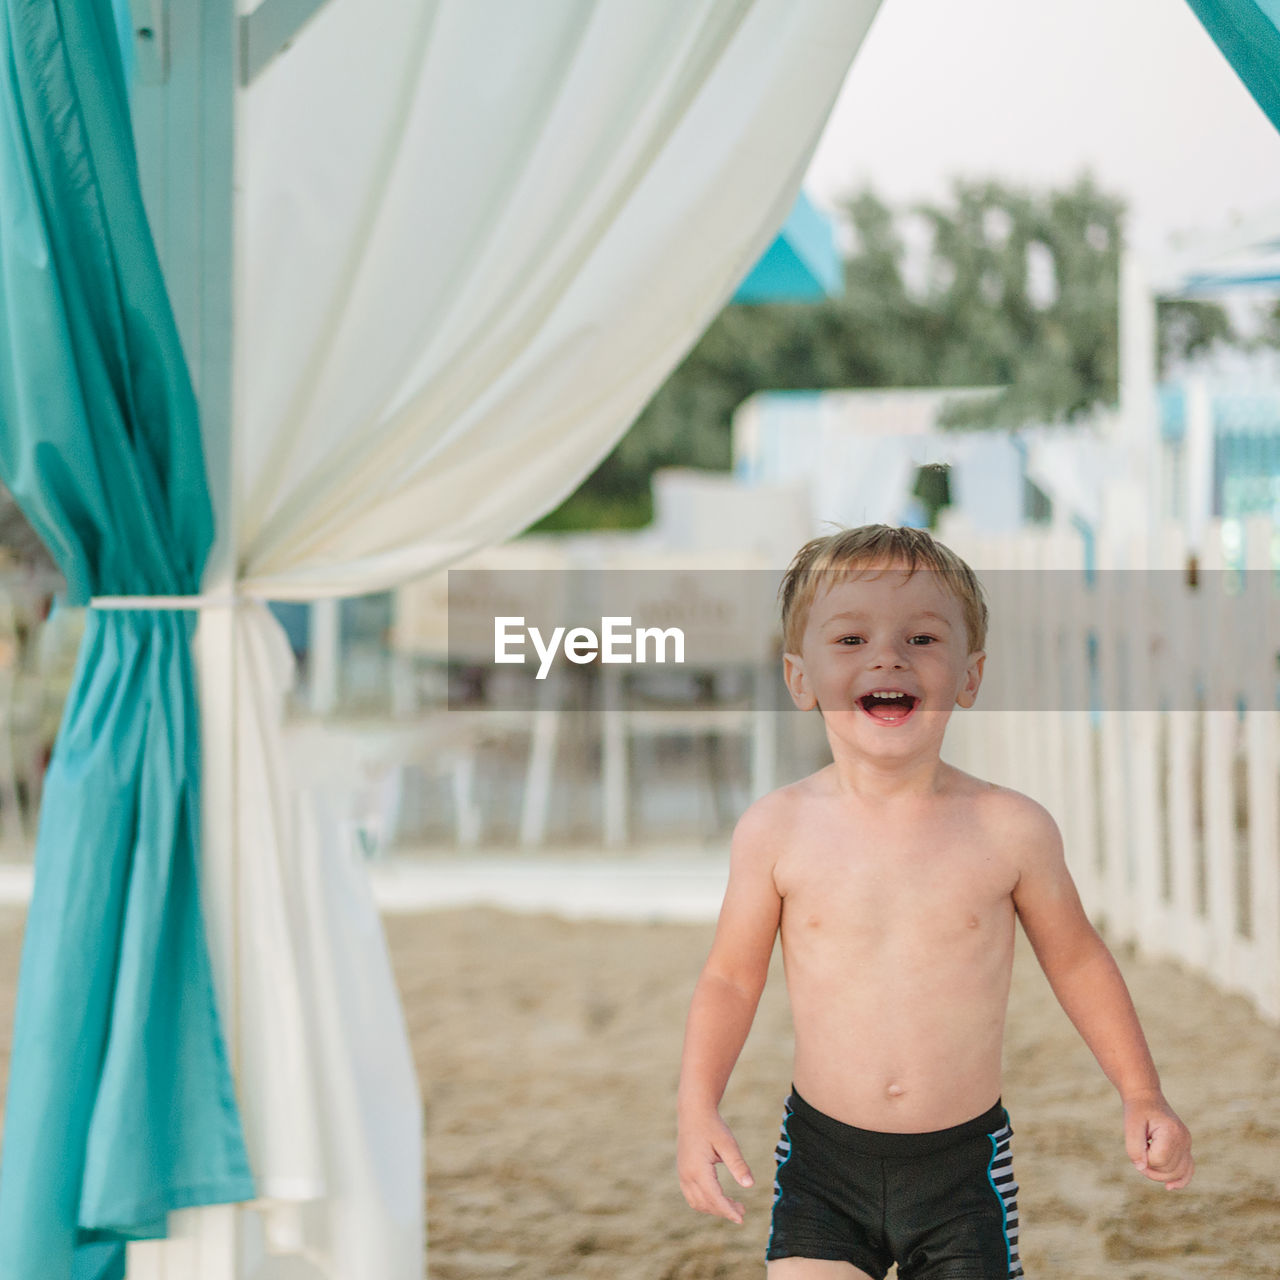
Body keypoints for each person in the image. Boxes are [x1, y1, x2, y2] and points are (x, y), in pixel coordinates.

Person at [675, 524, 1193, 1279]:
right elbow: (729, 979)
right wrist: (698, 1109)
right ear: (800, 678)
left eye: (922, 638)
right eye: (851, 640)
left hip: (961, 1170)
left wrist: (1142, 1093)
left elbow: (1078, 960)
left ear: (970, 676)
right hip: (824, 1162)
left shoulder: (1010, 829)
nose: (888, 656)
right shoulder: (777, 829)